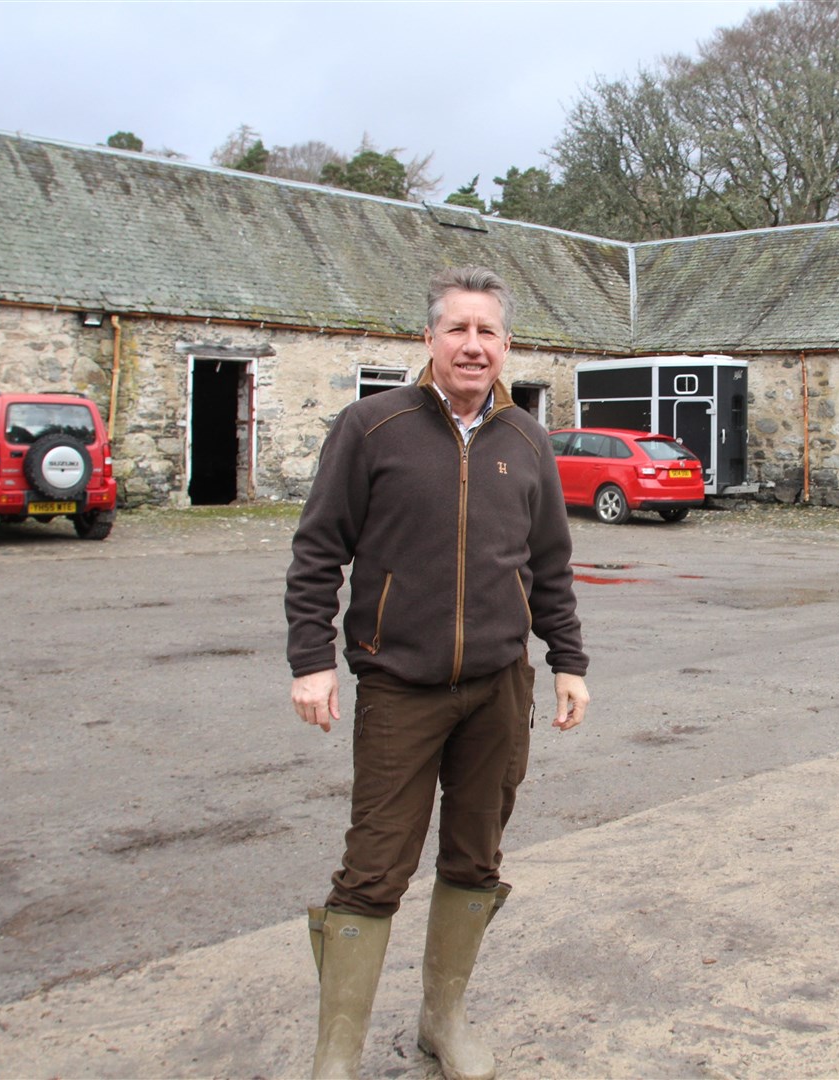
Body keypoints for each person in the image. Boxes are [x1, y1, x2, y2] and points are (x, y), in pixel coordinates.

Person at [285, 266, 589, 1080]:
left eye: (487, 331)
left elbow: (550, 564)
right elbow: (318, 551)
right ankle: (335, 1053)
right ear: (429, 339)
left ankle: (441, 1019)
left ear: (507, 345)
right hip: (399, 686)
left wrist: (568, 660)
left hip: (499, 686)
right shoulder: (371, 427)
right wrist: (311, 659)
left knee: (475, 858)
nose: (472, 345)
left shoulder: (526, 439)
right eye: (457, 329)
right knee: (374, 867)